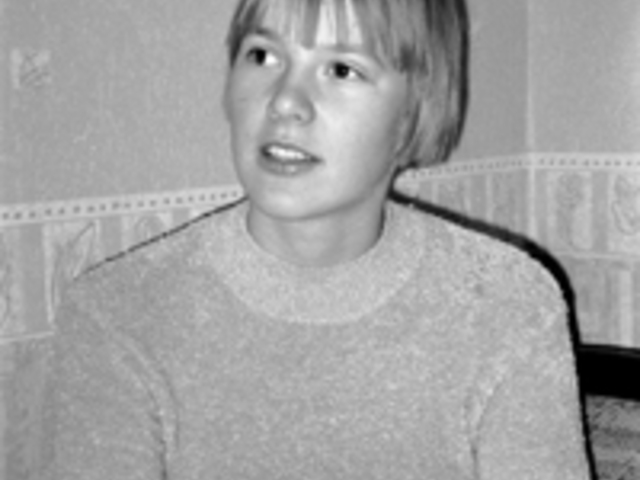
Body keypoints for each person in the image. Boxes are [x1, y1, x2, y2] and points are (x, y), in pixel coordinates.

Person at [45, 0, 592, 478]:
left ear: (415, 112)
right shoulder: (117, 316)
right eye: (262, 55)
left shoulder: (508, 306)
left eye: (341, 68)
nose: (285, 100)